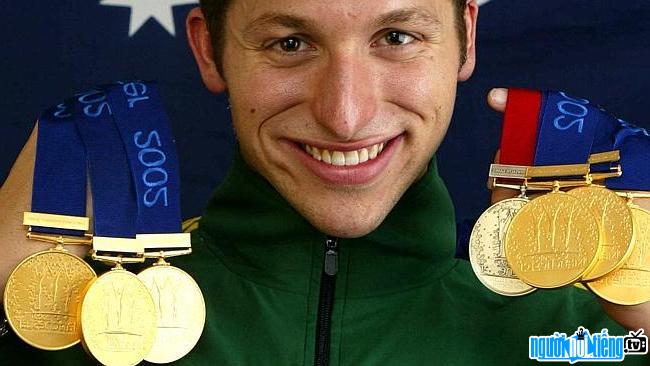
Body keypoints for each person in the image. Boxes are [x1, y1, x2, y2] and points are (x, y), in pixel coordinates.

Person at [0, 0, 649, 364]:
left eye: (395, 36)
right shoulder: (81, 329)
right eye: (289, 43)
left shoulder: (583, 340)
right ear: (208, 49)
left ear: (465, 36)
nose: (346, 114)